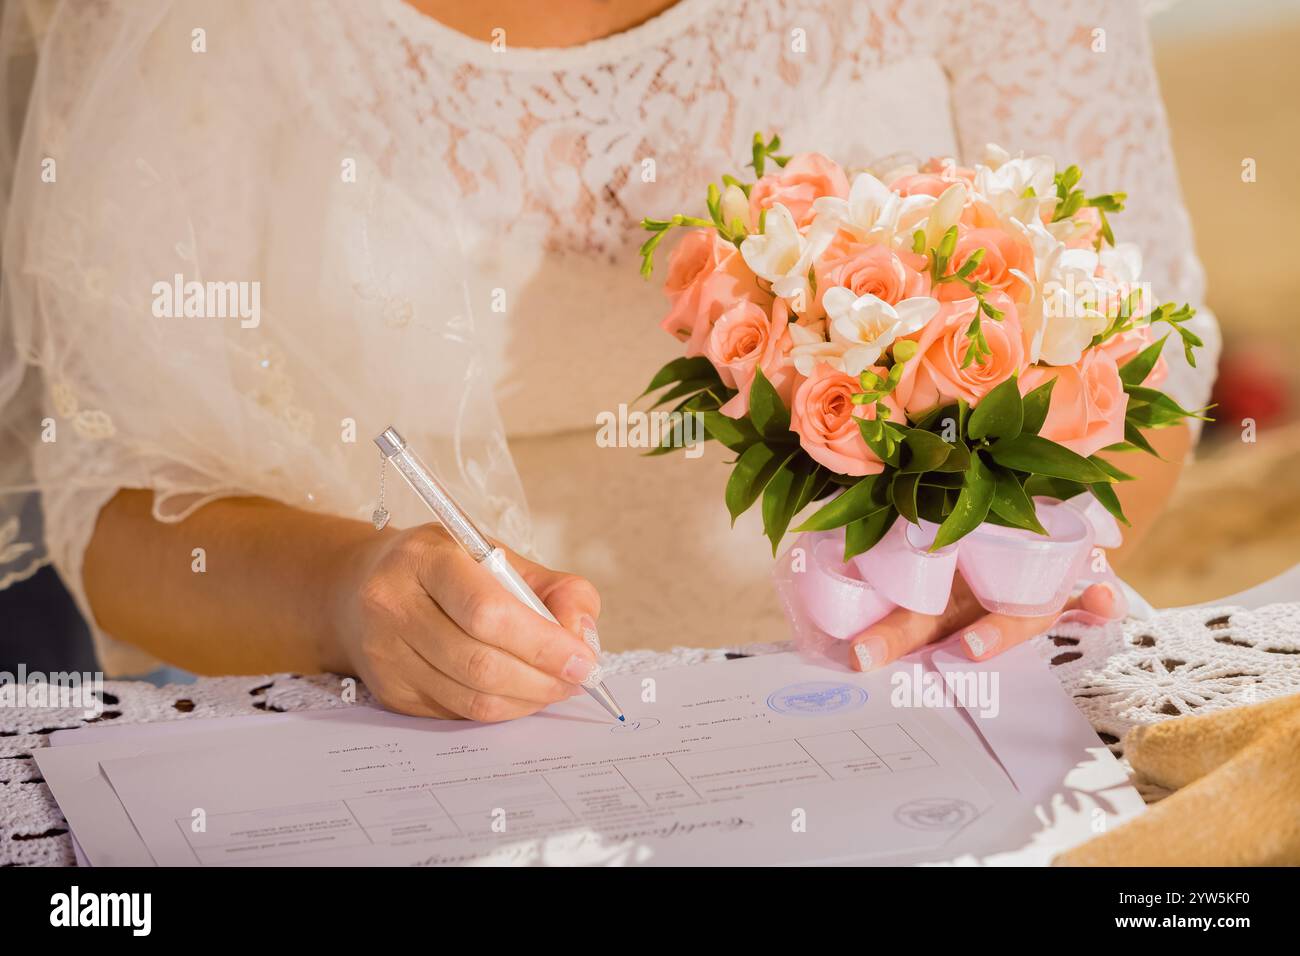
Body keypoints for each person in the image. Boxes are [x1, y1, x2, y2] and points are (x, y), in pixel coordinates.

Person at [0, 0, 1219, 720]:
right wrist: (347, 596)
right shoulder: (203, 24)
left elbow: (1143, 355)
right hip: (422, 758)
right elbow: (112, 501)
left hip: (926, 715)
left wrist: (1004, 564)